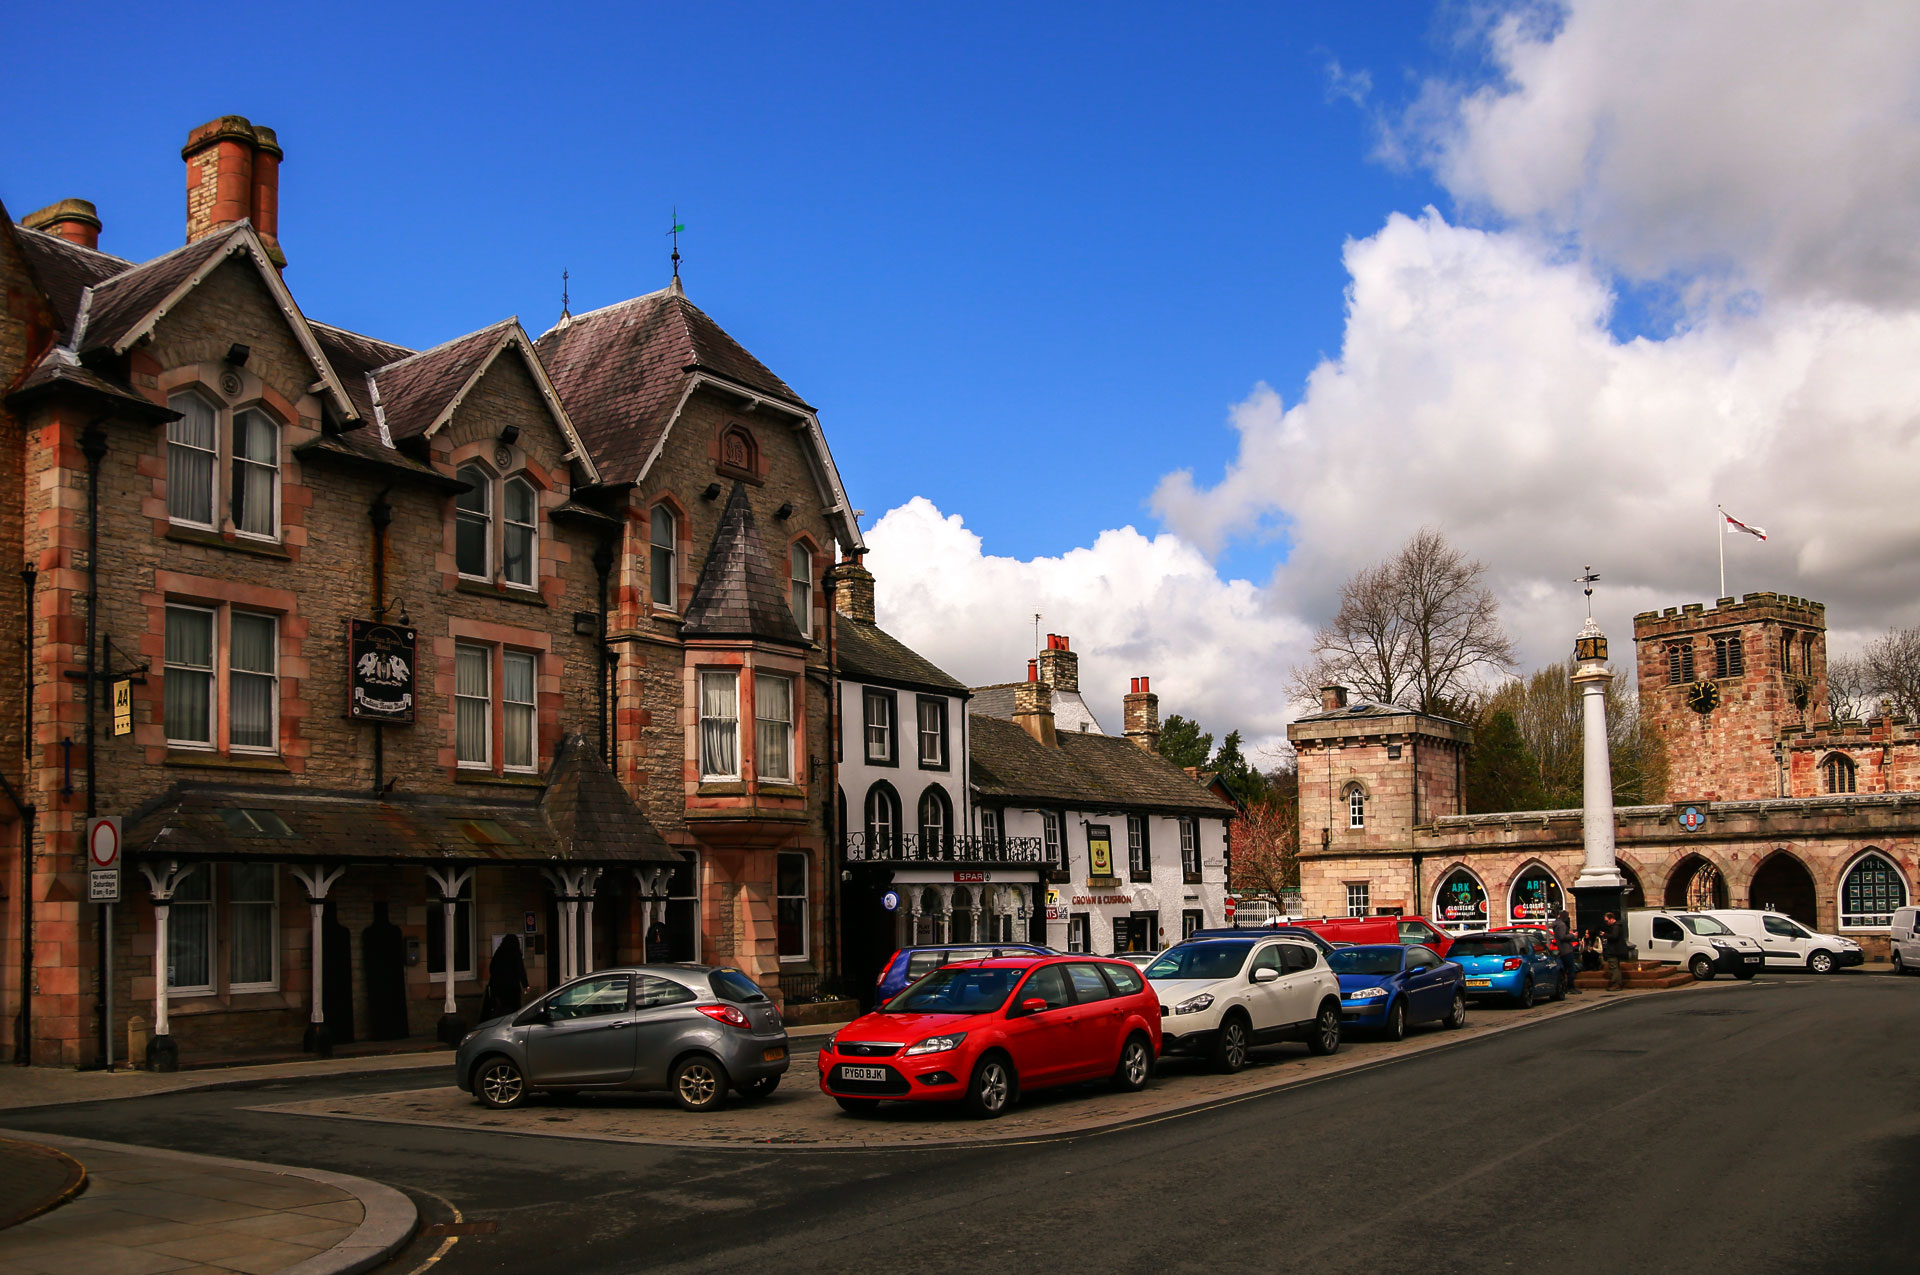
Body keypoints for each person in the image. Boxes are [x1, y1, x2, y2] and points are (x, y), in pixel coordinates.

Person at [485, 934, 529, 1019]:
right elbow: (520, 970)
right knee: (514, 1010)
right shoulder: (515, 953)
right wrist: (526, 984)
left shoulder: (499, 952)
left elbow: (492, 968)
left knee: (501, 1009)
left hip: (499, 987)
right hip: (512, 988)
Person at [1552, 908, 1581, 994]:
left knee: (1565, 970)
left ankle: (1565, 987)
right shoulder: (1562, 925)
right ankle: (1570, 987)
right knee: (1571, 969)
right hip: (1566, 950)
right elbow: (1562, 937)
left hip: (1562, 949)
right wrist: (1572, 935)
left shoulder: (1557, 925)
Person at [1602, 910, 1628, 991]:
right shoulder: (1617, 926)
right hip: (1617, 950)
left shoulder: (1616, 926)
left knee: (1614, 967)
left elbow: (1614, 936)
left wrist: (1605, 935)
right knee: (1615, 967)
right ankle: (1617, 984)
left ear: (1611, 919)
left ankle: (1616, 984)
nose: (1606, 923)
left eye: (1606, 921)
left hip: (1614, 950)